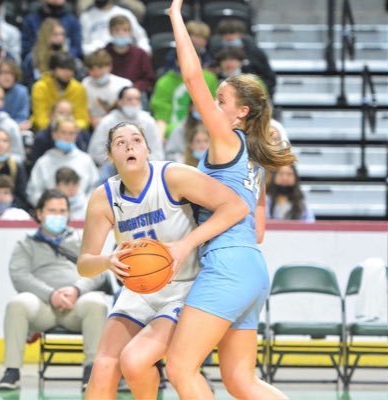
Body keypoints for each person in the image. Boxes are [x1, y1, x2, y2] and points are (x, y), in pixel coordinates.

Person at [167, 2, 296, 399]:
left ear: (240, 113)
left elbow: (191, 77)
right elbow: (257, 231)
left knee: (179, 367)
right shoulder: (257, 157)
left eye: (219, 101)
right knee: (242, 382)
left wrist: (175, 14)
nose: (212, 105)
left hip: (226, 266)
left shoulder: (226, 141)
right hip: (252, 269)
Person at [77, 121, 249, 399]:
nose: (129, 145)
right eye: (120, 142)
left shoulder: (173, 176)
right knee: (103, 367)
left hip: (184, 287)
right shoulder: (103, 197)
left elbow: (236, 206)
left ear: (147, 148)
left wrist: (185, 245)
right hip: (139, 290)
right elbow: (84, 264)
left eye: (136, 140)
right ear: (110, 155)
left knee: (134, 361)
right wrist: (107, 260)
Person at [0, 189, 108, 392]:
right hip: (43, 307)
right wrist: (51, 294)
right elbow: (20, 276)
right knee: (17, 304)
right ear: (39, 213)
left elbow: (98, 271)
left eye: (62, 211)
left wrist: (76, 290)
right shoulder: (26, 244)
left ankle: (91, 371)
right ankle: (11, 371)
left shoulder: (82, 239)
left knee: (97, 303)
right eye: (52, 210)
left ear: (68, 213)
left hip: (77, 305)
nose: (58, 215)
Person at [26, 116, 99, 207]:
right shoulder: (43, 162)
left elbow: (95, 188)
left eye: (71, 133)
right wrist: (49, 206)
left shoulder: (86, 160)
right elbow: (33, 192)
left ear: (76, 135)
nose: (67, 137)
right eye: (63, 133)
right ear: (54, 134)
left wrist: (84, 205)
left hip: (82, 213)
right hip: (51, 213)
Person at [88, 86, 164, 167]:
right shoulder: (107, 121)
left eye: (137, 99)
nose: (134, 102)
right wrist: (118, 164)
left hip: (145, 166)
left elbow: (157, 151)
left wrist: (140, 164)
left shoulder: (148, 121)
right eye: (129, 99)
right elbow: (96, 151)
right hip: (113, 167)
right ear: (119, 102)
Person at [30, 52, 90, 131]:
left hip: (72, 130)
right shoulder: (40, 87)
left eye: (70, 69)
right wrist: (58, 129)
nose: (67, 73)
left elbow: (82, 119)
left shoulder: (79, 88)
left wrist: (70, 128)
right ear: (53, 70)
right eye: (62, 69)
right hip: (46, 130)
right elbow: (40, 119)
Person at [104, 15, 155, 98]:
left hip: (134, 93)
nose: (121, 33)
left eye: (125, 30)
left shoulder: (140, 54)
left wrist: (133, 88)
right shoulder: (103, 54)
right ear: (110, 32)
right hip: (109, 93)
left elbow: (148, 79)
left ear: (130, 32)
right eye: (117, 30)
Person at [82, 48, 132, 129]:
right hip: (93, 126)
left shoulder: (124, 84)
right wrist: (91, 120)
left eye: (100, 67)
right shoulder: (85, 84)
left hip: (121, 125)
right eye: (92, 69)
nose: (97, 72)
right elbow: (83, 109)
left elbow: (129, 111)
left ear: (109, 66)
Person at [80, 0, 150, 55]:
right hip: (99, 59)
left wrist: (144, 52)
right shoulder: (85, 17)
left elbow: (141, 37)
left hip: (126, 54)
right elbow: (84, 45)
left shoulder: (125, 13)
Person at [0, 128, 29, 209]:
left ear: (9, 145)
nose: (1, 144)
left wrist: (9, 206)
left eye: (5, 141)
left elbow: (22, 196)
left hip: (12, 209)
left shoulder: (17, 167)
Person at [0, 83, 25, 163]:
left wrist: (3, 162)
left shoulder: (11, 125)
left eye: (1, 99)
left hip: (6, 168)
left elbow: (19, 155)